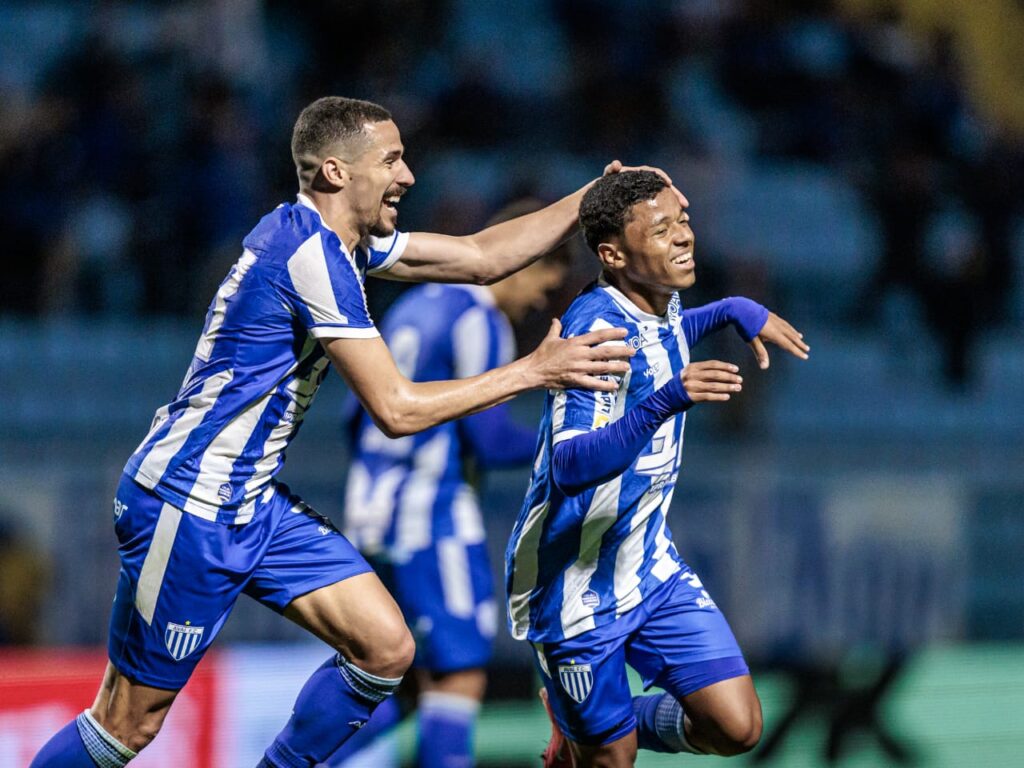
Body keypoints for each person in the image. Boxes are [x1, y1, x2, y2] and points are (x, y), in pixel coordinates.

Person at [29, 96, 671, 768]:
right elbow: (395, 409)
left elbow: (481, 256)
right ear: (337, 172)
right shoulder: (310, 256)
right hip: (187, 503)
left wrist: (590, 197)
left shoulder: (339, 245)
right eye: (391, 160)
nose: (408, 176)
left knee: (385, 647)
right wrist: (534, 371)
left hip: (251, 501)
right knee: (128, 722)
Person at [503, 171, 810, 768]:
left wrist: (733, 310)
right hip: (574, 587)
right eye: (663, 229)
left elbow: (662, 338)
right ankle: (591, 731)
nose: (684, 238)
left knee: (737, 726)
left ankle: (591, 723)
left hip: (647, 566)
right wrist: (668, 399)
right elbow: (570, 464)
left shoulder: (655, 300)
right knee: (612, 761)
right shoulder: (596, 331)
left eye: (684, 222)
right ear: (613, 255)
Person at [336, 199, 572, 768]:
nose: (539, 305)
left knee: (402, 682)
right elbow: (489, 439)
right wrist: (573, 446)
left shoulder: (413, 304)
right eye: (543, 287)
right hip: (432, 518)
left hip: (369, 514)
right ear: (522, 260)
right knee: (458, 676)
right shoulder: (479, 318)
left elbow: (353, 413)